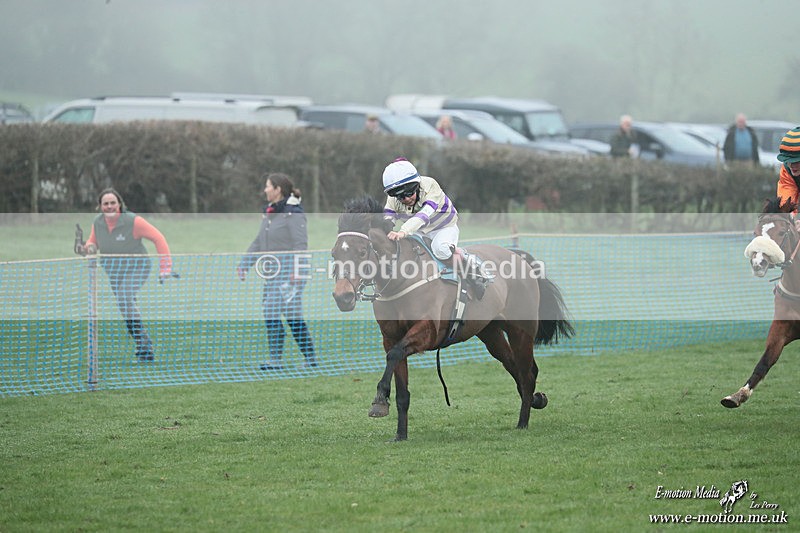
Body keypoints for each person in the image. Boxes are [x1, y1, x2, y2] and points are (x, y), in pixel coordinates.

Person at [77, 188, 174, 362]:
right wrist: (85, 248)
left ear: (119, 204)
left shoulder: (133, 221)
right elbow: (93, 243)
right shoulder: (97, 223)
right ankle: (143, 346)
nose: (109, 206)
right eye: (105, 204)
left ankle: (144, 345)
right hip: (114, 271)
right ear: (99, 206)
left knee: (124, 298)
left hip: (138, 267)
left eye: (112, 203)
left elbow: (159, 238)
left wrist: (165, 267)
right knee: (126, 306)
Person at [381, 157, 494, 299]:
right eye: (400, 197)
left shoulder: (430, 185)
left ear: (416, 186)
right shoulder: (393, 199)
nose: (406, 199)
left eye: (409, 193)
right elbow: (387, 216)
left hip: (444, 227)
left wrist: (402, 231)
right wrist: (384, 230)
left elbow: (423, 215)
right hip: (419, 231)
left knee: (440, 249)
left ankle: (472, 268)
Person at [237, 172, 316, 370]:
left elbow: (301, 244)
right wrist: (245, 264)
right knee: (292, 316)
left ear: (278, 189)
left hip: (291, 273)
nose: (265, 190)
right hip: (273, 274)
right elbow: (258, 242)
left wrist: (297, 272)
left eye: (268, 186)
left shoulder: (294, 213)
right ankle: (310, 358)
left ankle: (275, 360)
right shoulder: (270, 213)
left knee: (271, 309)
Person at [776, 126, 800, 218]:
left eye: (797, 161)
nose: (792, 166)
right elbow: (786, 199)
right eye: (789, 160)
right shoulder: (786, 170)